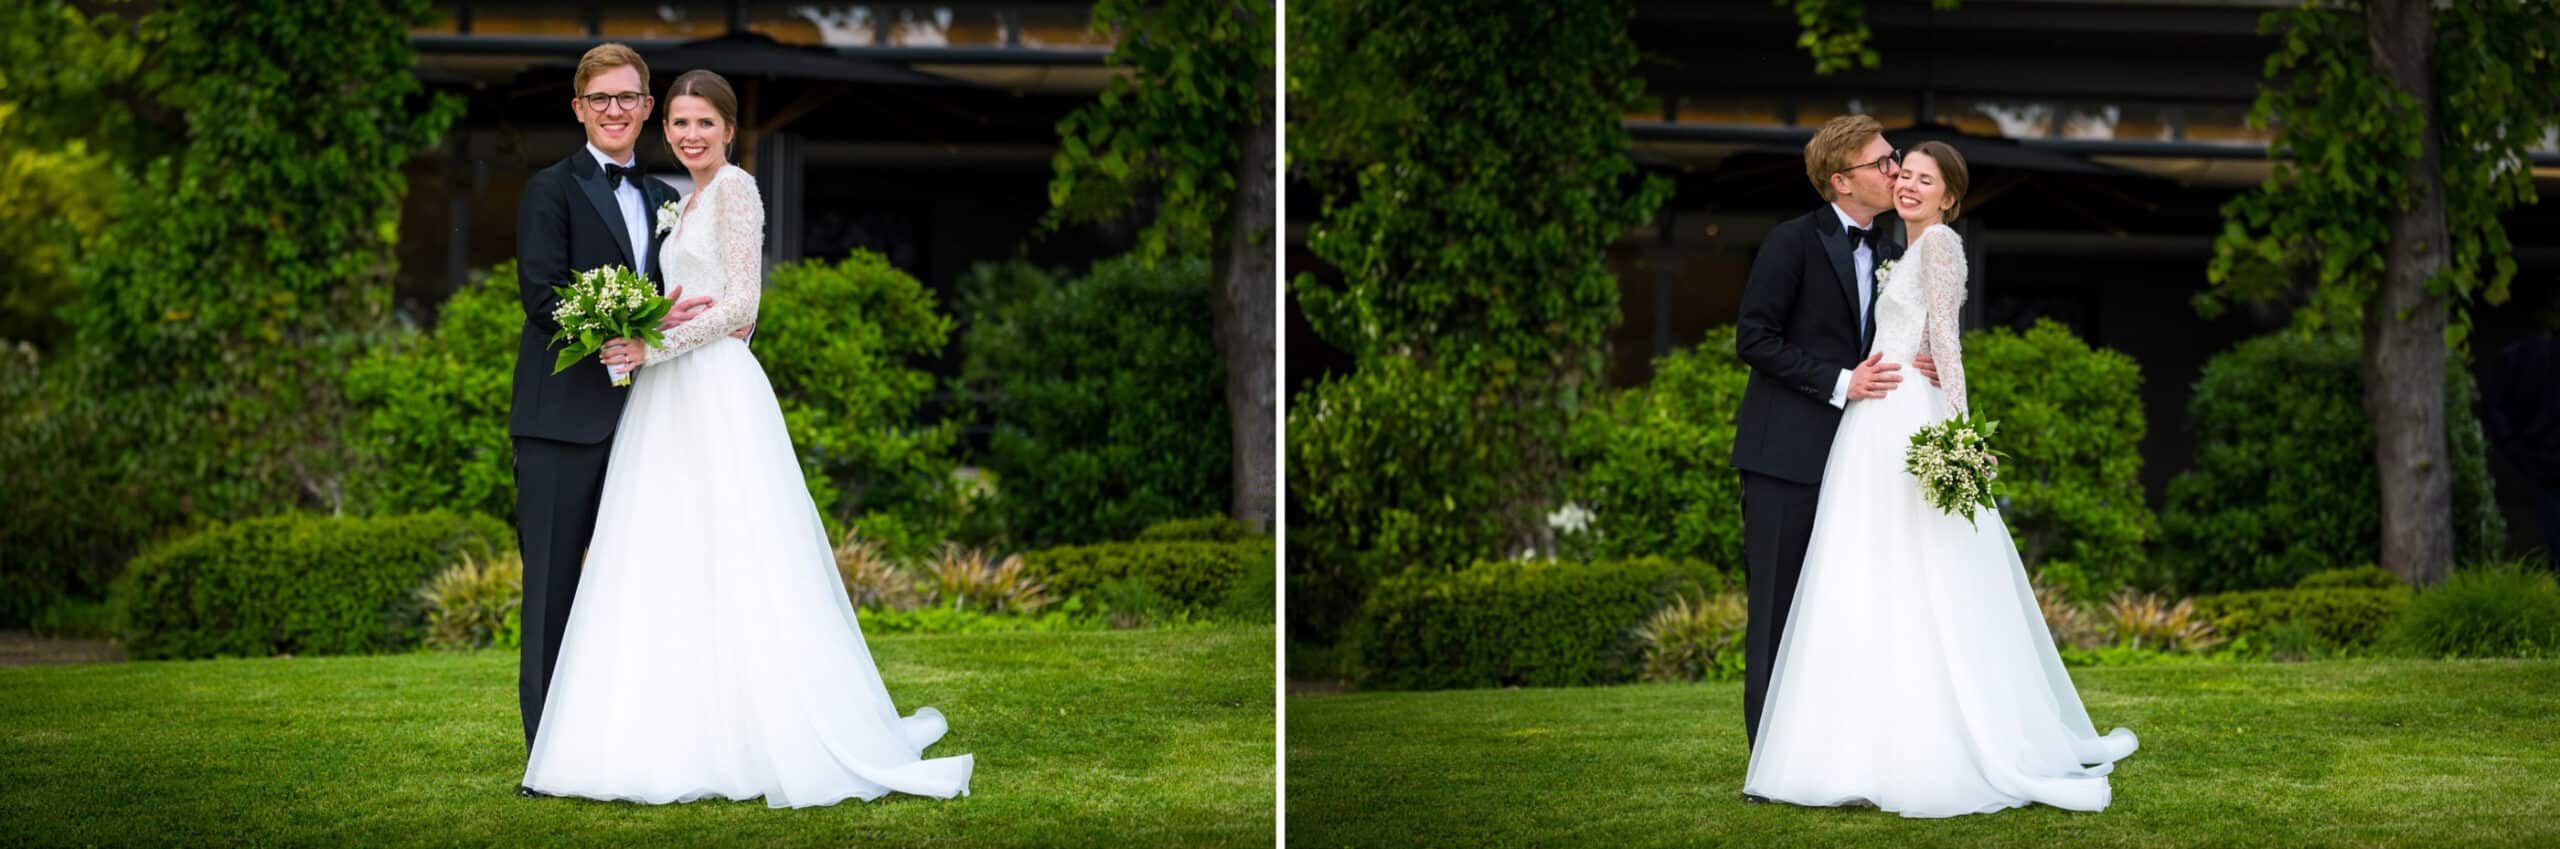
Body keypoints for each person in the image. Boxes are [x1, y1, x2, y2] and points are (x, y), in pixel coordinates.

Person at [516, 67, 972, 807]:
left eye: (705, 122)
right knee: (668, 563)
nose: (691, 133)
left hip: (708, 392)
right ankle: (621, 735)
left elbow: (742, 306)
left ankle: (753, 731)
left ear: (728, 129)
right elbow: (566, 294)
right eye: (682, 123)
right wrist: (647, 329)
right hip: (653, 400)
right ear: (660, 127)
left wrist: (650, 347)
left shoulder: (732, 190)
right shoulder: (672, 200)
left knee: (737, 555)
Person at [1739, 140, 2138, 817]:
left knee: (1918, 577)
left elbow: (1948, 346)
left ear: (1950, 197)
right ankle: (1838, 744)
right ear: (1842, 179)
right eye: (1899, 171)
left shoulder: (1941, 245)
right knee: (1867, 579)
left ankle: (1927, 740)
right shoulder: (1884, 246)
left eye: (1922, 177)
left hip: (1900, 418)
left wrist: (1958, 434)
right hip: (1865, 423)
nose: (1904, 181)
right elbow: (1780, 335)